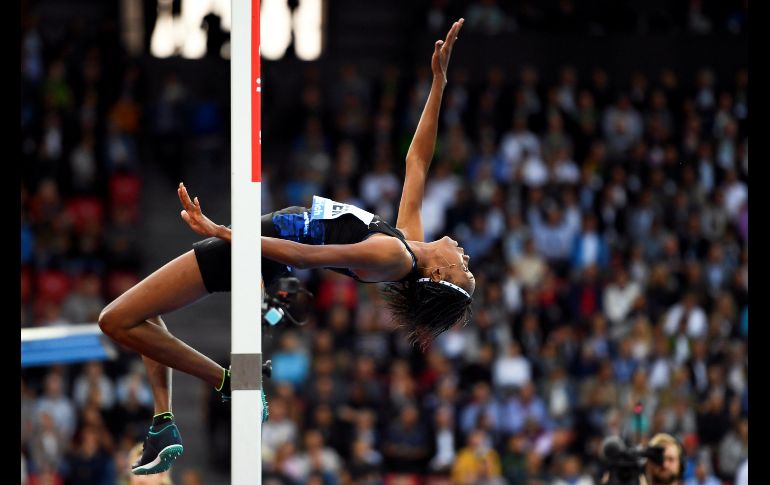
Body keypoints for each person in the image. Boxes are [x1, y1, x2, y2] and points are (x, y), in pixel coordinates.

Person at [98, 19, 473, 475]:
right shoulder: (406, 248)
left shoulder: (393, 256)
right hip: (266, 249)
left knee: (116, 319)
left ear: (439, 276)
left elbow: (304, 255)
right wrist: (439, 83)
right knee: (144, 312)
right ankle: (165, 420)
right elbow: (417, 160)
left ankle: (229, 381)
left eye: (464, 271)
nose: (466, 257)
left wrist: (223, 233)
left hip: (262, 248)